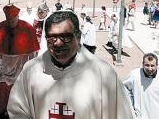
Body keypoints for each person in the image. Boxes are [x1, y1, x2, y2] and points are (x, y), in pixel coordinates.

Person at [7, 11, 135, 119]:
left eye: (65, 37)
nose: (58, 43)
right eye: (52, 38)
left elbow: (121, 114)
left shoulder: (103, 73)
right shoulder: (32, 70)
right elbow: (17, 111)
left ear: (78, 37)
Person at [0, 4, 40, 118]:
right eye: (8, 20)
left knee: (17, 90)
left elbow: (33, 51)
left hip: (20, 64)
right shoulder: (1, 27)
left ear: (17, 17)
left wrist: (32, 66)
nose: (10, 23)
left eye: (12, 20)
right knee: (2, 90)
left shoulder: (27, 28)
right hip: (4, 64)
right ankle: (1, 111)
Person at [124, 53, 159, 119]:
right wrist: (131, 108)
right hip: (139, 116)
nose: (150, 68)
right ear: (142, 64)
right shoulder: (134, 75)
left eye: (152, 66)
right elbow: (124, 90)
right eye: (147, 65)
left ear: (157, 65)